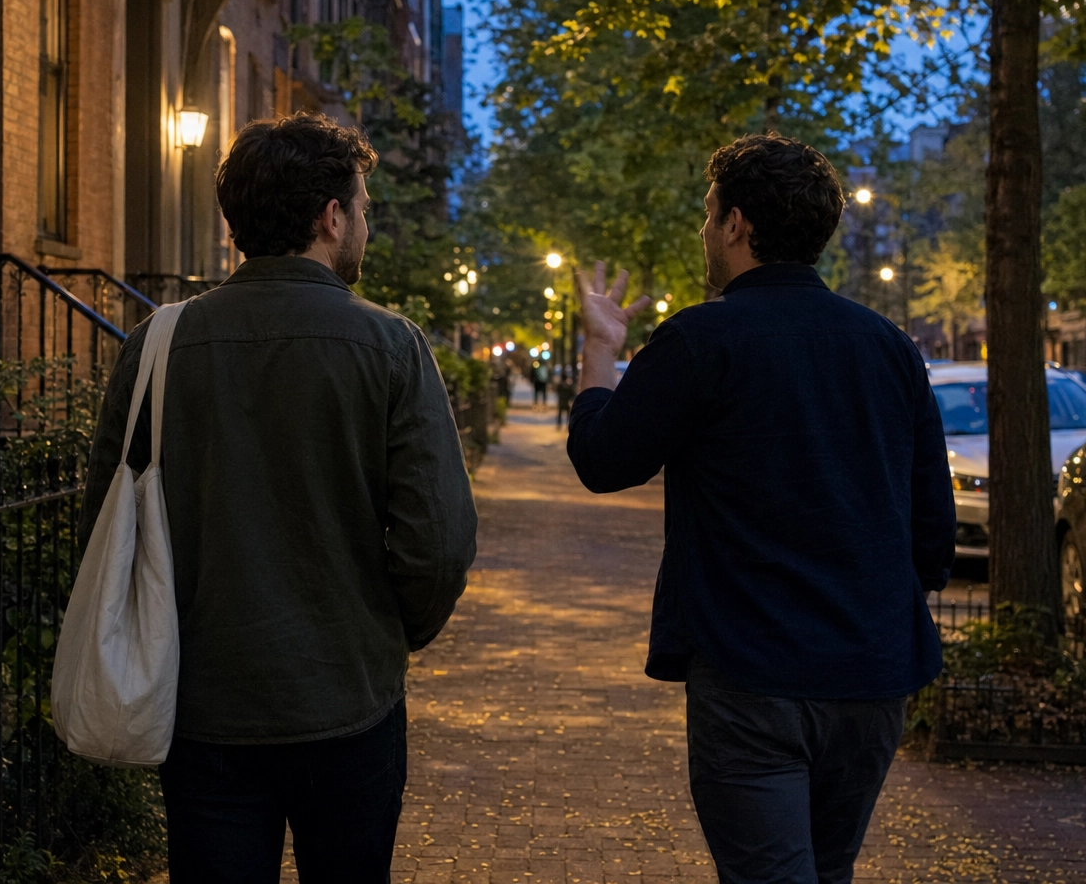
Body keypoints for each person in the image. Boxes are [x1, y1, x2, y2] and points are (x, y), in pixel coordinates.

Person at [81, 113, 478, 883]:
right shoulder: (390, 346)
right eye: (363, 207)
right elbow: (440, 541)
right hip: (348, 701)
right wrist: (388, 636)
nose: (365, 223)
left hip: (204, 705)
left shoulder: (156, 347)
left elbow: (105, 524)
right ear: (331, 217)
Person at [565, 132, 955, 884]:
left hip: (752, 678)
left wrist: (599, 353)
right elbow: (932, 530)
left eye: (709, 215)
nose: (705, 232)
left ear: (737, 224)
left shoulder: (699, 339)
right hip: (871, 678)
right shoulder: (889, 348)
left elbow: (603, 462)